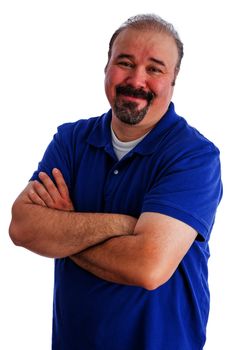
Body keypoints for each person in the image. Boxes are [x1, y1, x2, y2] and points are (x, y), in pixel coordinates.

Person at [9, 14, 222, 350]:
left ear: (173, 79)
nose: (136, 79)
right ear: (106, 66)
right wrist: (124, 225)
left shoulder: (193, 157)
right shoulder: (71, 141)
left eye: (154, 68)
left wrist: (66, 229)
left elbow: (148, 266)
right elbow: (22, 228)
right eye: (125, 62)